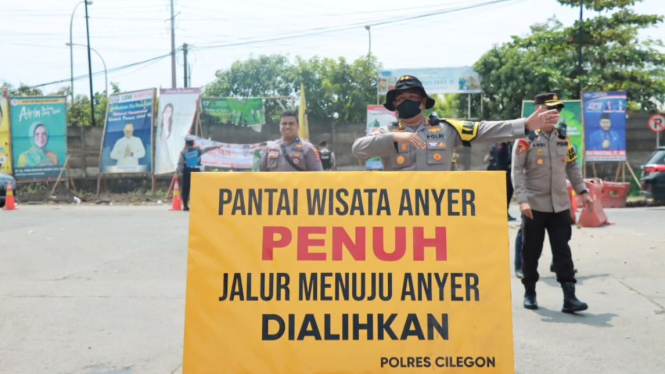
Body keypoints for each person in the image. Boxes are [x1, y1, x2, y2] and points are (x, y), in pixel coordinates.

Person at [351, 75, 561, 171]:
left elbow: (485, 129)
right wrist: (395, 136)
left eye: (412, 97)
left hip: (441, 210)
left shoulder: (447, 129)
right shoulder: (385, 132)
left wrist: (525, 124)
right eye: (400, 99)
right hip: (400, 211)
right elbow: (358, 149)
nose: (406, 102)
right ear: (394, 107)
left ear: (423, 102)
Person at [512, 93, 593, 313]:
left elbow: (572, 167)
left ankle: (570, 297)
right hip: (534, 206)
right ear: (538, 111)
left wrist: (582, 191)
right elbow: (517, 171)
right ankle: (530, 292)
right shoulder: (525, 138)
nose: (554, 114)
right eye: (550, 109)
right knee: (531, 252)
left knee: (563, 252)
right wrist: (522, 201)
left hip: (559, 205)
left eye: (557, 109)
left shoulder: (563, 138)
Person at [176, 136, 223, 211]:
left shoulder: (183, 153)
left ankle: (185, 205)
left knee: (186, 189)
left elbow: (180, 164)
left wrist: (177, 173)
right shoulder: (197, 151)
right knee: (197, 189)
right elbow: (206, 149)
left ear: (186, 144)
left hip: (187, 172)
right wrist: (215, 147)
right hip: (196, 172)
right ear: (193, 143)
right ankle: (197, 205)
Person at [486, 142, 515, 221]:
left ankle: (505, 212)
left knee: (508, 193)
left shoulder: (509, 145)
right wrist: (501, 175)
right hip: (501, 173)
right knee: (503, 194)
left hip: (507, 172)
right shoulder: (500, 146)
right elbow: (499, 162)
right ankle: (501, 213)